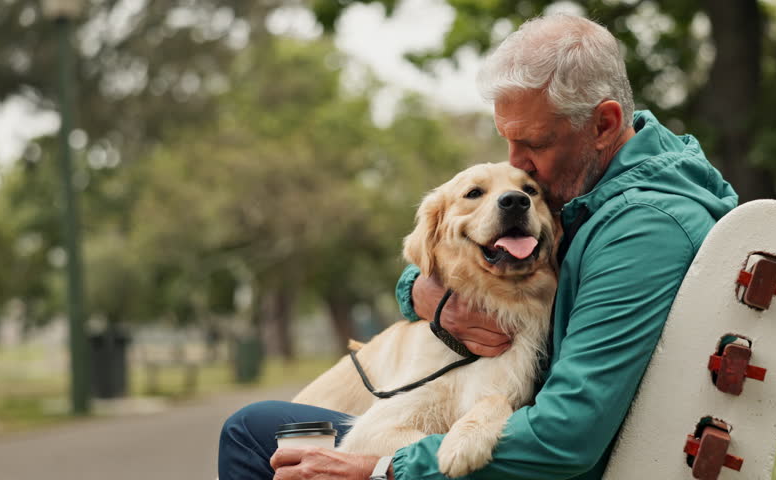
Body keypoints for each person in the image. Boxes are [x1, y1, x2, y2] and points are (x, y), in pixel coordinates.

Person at [218, 13, 738, 480]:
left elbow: (568, 435)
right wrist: (425, 295)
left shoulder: (641, 230)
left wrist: (383, 469)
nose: (518, 165)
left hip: (536, 461)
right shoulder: (594, 191)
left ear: (603, 124)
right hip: (504, 438)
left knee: (251, 435)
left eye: (533, 144)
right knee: (260, 425)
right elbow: (455, 253)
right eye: (508, 141)